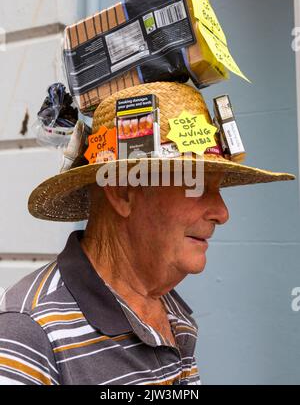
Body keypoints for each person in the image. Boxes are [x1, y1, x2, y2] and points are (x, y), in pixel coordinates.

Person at [0, 82, 295, 385]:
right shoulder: (29, 333)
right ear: (123, 191)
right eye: (199, 185)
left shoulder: (171, 315)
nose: (222, 213)